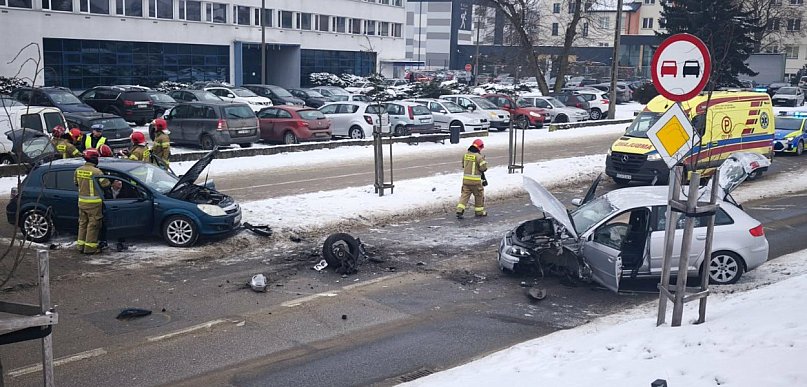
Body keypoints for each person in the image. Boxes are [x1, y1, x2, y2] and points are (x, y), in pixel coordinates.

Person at [74, 149, 109, 254]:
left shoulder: (78, 170)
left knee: (82, 224)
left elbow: (76, 183)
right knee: (93, 225)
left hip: (81, 202)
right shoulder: (97, 172)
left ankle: (80, 246)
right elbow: (105, 184)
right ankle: (90, 248)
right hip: (94, 204)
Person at [456, 138, 488, 218]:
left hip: (466, 181)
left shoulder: (465, 155)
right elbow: (483, 168)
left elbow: (463, 165)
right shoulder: (479, 157)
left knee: (465, 195)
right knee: (479, 195)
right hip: (476, 181)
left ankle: (459, 210)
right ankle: (479, 212)